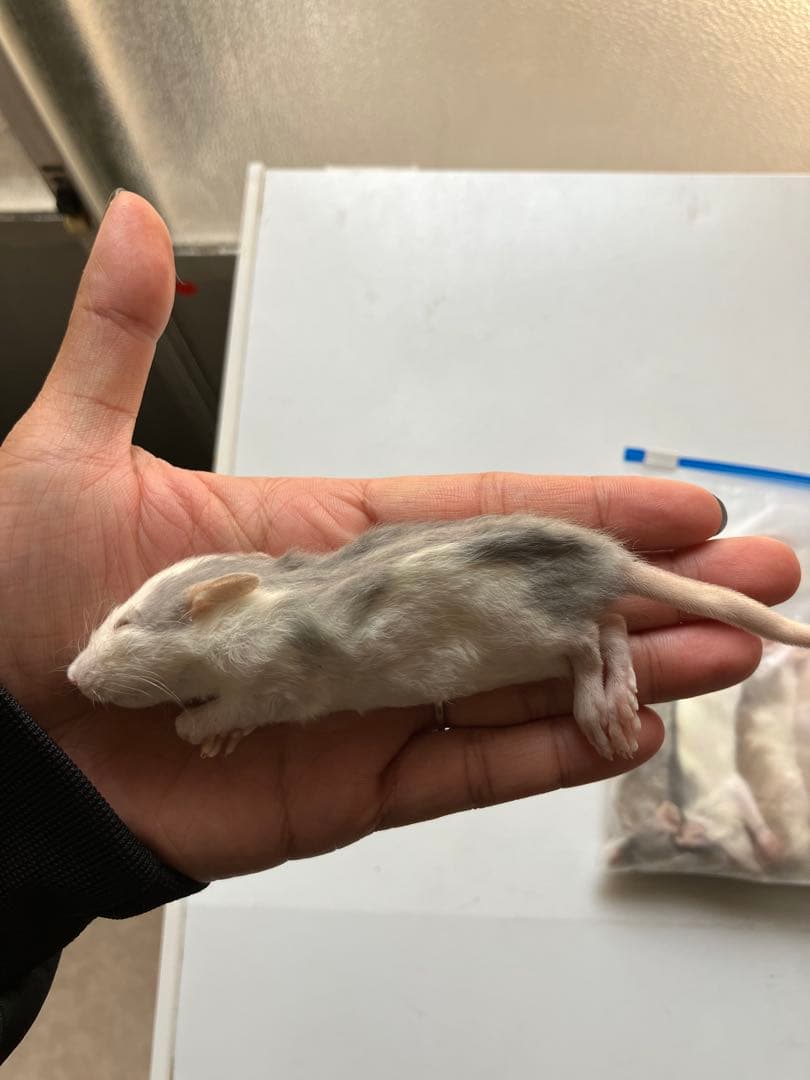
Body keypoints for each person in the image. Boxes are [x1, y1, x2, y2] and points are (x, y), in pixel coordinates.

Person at [0, 191, 799, 1062]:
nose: (97, 660)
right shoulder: (248, 609)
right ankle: (595, 636)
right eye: (120, 624)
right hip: (472, 588)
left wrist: (206, 722)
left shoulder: (254, 635)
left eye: (126, 628)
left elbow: (268, 694)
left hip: (498, 591)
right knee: (495, 641)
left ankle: (591, 640)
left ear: (207, 609)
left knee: (513, 638)